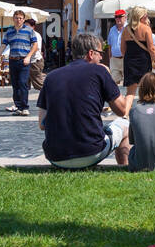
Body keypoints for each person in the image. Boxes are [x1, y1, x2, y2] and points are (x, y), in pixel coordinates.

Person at [37, 32, 132, 168]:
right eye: (100, 53)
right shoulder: (99, 71)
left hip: (55, 156)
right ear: (91, 53)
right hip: (91, 152)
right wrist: (130, 93)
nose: (101, 57)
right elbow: (122, 110)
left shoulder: (51, 77)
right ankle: (124, 168)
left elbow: (42, 124)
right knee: (125, 125)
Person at [2, 10, 39, 116]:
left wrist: (28, 56)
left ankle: (25, 107)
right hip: (12, 60)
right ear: (13, 19)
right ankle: (18, 107)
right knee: (15, 85)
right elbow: (3, 45)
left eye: (20, 18)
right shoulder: (9, 32)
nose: (18, 20)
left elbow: (35, 46)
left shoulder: (29, 31)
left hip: (24, 60)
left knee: (23, 83)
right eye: (16, 18)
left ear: (23, 19)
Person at [121, 6, 155, 98]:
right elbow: (151, 48)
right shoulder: (146, 29)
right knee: (145, 88)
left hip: (129, 61)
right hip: (143, 60)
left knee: (130, 92)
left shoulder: (126, 29)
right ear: (141, 17)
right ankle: (145, 110)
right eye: (146, 15)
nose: (147, 17)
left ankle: (126, 111)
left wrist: (127, 59)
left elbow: (122, 49)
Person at [26, 18, 46, 90]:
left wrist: (27, 56)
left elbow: (36, 48)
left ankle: (50, 94)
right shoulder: (27, 35)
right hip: (28, 62)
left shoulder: (35, 35)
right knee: (24, 84)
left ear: (33, 26)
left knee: (38, 83)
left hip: (34, 62)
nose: (25, 28)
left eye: (27, 26)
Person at [107, 9, 126, 85]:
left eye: (120, 16)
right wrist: (110, 58)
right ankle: (117, 97)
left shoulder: (128, 28)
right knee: (114, 83)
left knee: (127, 82)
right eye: (116, 17)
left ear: (125, 17)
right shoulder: (112, 29)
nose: (118, 18)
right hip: (114, 59)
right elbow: (109, 44)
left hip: (126, 59)